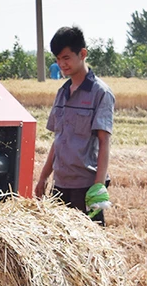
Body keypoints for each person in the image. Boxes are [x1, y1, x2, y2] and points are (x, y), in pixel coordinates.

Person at [35, 26, 114, 224]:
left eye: (66, 58)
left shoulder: (100, 93)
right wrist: (44, 177)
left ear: (83, 54)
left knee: (90, 250)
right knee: (59, 246)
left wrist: (98, 186)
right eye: (58, 59)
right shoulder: (62, 93)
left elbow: (104, 142)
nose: (62, 64)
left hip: (85, 188)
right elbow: (58, 140)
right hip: (60, 185)